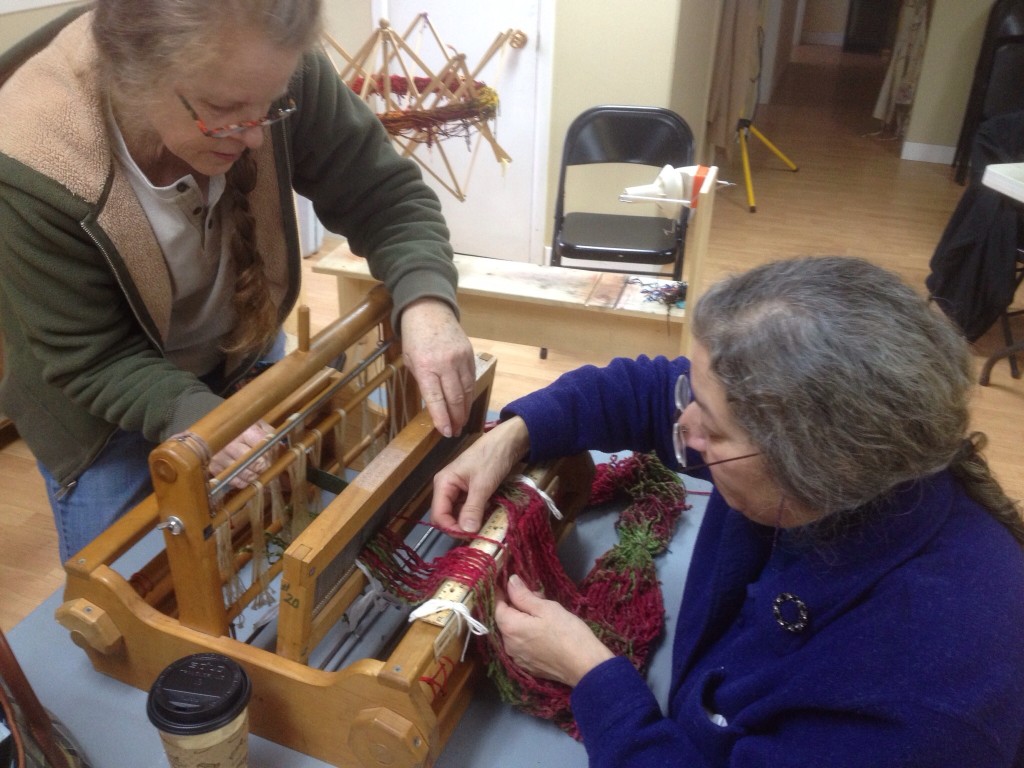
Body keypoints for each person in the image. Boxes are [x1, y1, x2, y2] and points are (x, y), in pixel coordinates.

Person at [431, 256, 1024, 767]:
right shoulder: (867, 467)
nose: (681, 426)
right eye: (694, 395)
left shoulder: (918, 703)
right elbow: (647, 392)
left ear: (813, 467)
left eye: (709, 429)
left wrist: (593, 678)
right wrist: (512, 436)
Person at [0, 1, 476, 563]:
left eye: (271, 107)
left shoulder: (270, 67)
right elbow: (92, 357)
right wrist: (195, 419)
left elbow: (385, 198)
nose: (255, 138)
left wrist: (425, 301)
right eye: (226, 110)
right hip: (102, 415)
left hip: (237, 353)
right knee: (133, 594)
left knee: (297, 541)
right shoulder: (34, 158)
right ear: (137, 78)